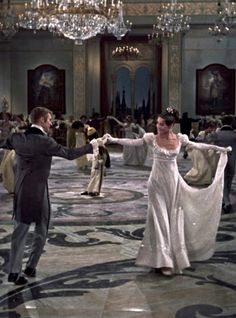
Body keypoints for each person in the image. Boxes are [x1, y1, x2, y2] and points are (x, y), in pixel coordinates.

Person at [105, 107, 230, 276]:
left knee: (172, 218)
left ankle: (169, 256)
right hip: (156, 183)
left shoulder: (180, 138)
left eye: (162, 124)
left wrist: (218, 149)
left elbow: (197, 145)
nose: (158, 126)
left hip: (174, 183)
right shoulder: (151, 138)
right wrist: (112, 139)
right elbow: (133, 142)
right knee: (160, 219)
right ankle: (164, 261)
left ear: (171, 126)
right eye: (157, 123)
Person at [0, 106, 104, 285]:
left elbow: (4, 144)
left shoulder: (16, 138)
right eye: (49, 120)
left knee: (20, 231)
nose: (51, 123)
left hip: (23, 191)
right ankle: (26, 267)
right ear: (41, 120)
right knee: (41, 229)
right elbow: (69, 154)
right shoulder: (45, 142)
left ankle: (17, 270)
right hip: (39, 191)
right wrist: (92, 145)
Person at [208, 115, 236, 214]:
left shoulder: (216, 134)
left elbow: (206, 141)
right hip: (232, 161)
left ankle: (225, 201)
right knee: (228, 181)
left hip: (220, 161)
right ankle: (226, 200)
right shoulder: (234, 134)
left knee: (222, 180)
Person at [81, 127, 110, 197]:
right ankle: (89, 190)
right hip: (95, 157)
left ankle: (96, 190)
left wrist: (101, 160)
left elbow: (102, 149)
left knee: (99, 175)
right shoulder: (92, 141)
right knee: (93, 173)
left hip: (100, 158)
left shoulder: (98, 140)